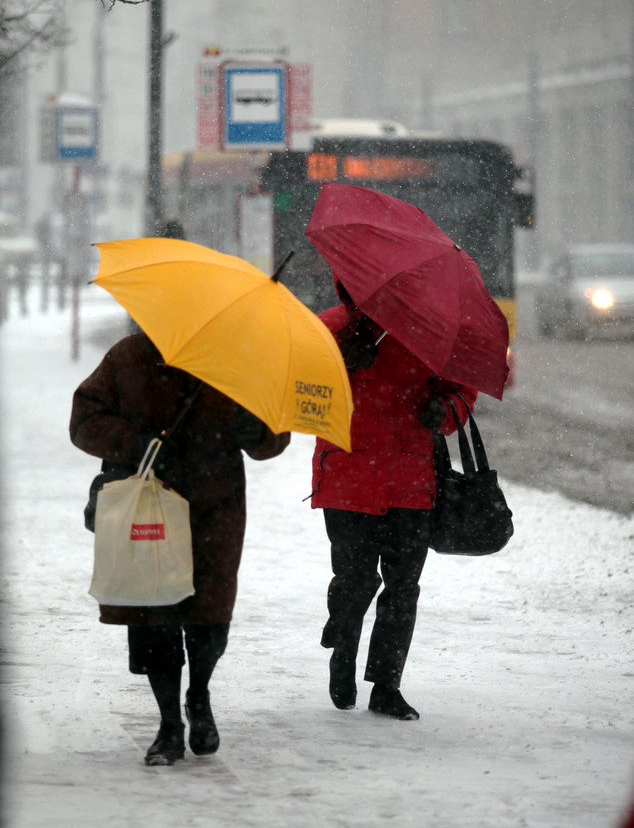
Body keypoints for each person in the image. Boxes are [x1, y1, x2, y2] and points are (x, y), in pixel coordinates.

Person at [70, 331, 290, 765]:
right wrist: (139, 443)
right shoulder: (128, 356)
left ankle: (199, 694)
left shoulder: (237, 361)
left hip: (216, 509)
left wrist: (259, 430)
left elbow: (274, 437)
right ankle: (169, 723)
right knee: (155, 617)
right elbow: (84, 421)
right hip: (147, 505)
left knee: (211, 616)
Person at [311, 280, 477, 720]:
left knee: (403, 587)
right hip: (348, 477)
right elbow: (299, 390)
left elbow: (461, 391)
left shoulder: (429, 332)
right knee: (355, 580)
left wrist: (445, 411)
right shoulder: (329, 329)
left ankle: (386, 685)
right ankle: (343, 649)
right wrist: (341, 362)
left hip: (411, 478)